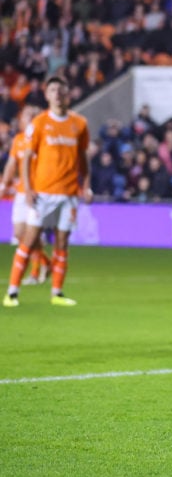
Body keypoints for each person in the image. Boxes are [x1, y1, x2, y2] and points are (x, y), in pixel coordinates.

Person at [4, 76, 92, 307]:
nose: (57, 94)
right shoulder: (40, 123)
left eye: (61, 90)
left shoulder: (79, 123)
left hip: (70, 194)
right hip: (44, 192)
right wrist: (29, 187)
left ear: (68, 94)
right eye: (53, 90)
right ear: (47, 95)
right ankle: (12, 292)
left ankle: (57, 293)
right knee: (29, 238)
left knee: (62, 242)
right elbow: (25, 160)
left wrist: (86, 185)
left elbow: (83, 159)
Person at [1, 105, 50, 285]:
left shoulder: (44, 140)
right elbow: (11, 165)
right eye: (24, 116)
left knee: (32, 235)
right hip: (22, 193)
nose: (25, 119)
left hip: (39, 193)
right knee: (20, 234)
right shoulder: (18, 140)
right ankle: (46, 262)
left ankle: (35, 273)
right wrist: (3, 185)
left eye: (30, 116)